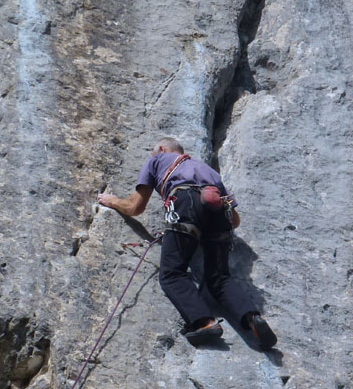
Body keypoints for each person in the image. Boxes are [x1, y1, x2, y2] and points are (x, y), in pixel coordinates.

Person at [97, 138, 277, 348]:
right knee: (219, 279)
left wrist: (112, 201)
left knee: (172, 274)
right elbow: (234, 220)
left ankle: (204, 322)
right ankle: (252, 317)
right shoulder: (209, 172)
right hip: (218, 213)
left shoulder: (158, 160)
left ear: (162, 149)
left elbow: (135, 206)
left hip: (184, 201)